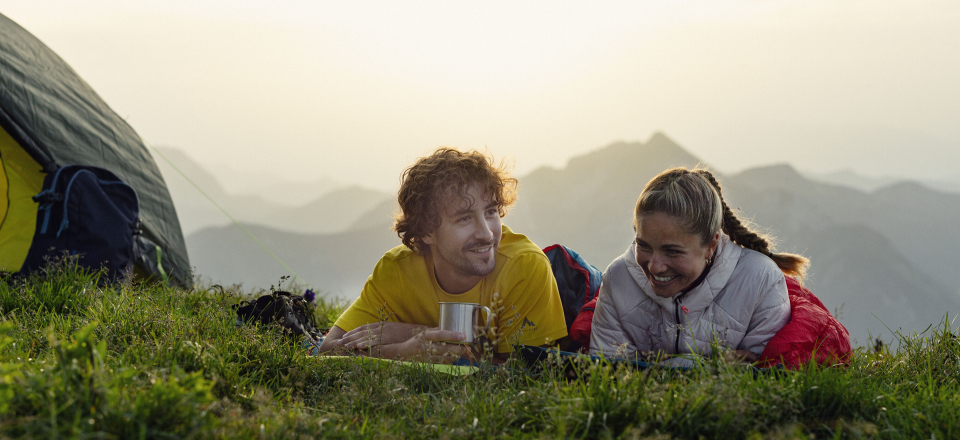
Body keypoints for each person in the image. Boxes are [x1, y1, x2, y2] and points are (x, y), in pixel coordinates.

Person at [317, 148, 567, 363]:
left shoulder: (524, 266)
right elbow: (328, 350)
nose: (486, 234)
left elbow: (528, 376)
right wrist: (404, 350)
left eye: (491, 211)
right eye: (465, 218)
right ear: (426, 232)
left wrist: (410, 334)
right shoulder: (396, 270)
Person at [590, 167, 809, 365]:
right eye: (644, 246)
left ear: (711, 245)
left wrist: (657, 367)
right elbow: (608, 376)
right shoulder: (618, 278)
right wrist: (714, 366)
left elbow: (765, 380)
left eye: (672, 251)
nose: (655, 267)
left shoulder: (760, 281)